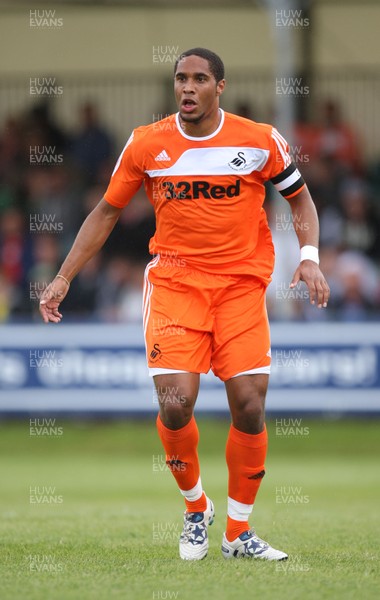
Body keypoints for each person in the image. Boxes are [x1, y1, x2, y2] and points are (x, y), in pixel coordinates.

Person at [39, 48, 330, 562]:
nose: (187, 87)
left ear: (220, 87)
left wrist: (308, 257)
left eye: (199, 79)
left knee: (250, 404)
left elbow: (300, 198)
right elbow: (106, 213)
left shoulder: (260, 140)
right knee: (175, 405)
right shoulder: (147, 144)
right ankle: (196, 508)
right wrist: (63, 276)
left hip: (240, 286)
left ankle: (238, 532)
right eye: (180, 79)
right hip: (175, 284)